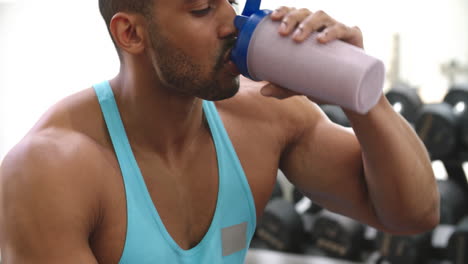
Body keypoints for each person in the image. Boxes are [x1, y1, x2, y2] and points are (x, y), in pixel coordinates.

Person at [0, 0, 439, 263]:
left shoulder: (265, 118)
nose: (231, 22)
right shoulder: (50, 171)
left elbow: (412, 214)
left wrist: (359, 94)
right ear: (131, 33)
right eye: (202, 9)